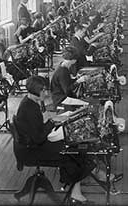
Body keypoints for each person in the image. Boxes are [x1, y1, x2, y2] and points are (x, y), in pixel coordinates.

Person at [15, 75, 97, 204]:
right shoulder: (29, 108)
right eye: (43, 90)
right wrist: (52, 123)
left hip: (32, 144)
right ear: (34, 90)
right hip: (30, 150)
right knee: (72, 153)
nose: (46, 93)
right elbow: (38, 138)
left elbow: (38, 130)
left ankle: (74, 191)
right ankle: (75, 194)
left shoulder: (30, 102)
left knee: (72, 149)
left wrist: (53, 122)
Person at [50, 46, 88, 110]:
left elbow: (66, 82)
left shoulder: (63, 66)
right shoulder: (63, 71)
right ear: (74, 60)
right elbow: (67, 90)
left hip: (60, 96)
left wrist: (75, 78)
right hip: (61, 99)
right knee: (86, 104)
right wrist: (79, 81)